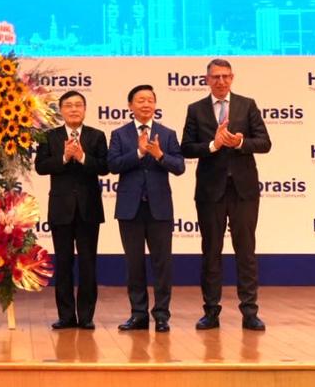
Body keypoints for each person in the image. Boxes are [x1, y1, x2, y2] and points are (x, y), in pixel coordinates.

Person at [182, 58, 273, 331]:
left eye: (225, 76)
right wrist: (213, 144)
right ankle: (211, 312)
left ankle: (250, 312)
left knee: (246, 252)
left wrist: (240, 142)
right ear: (207, 80)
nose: (221, 81)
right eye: (215, 77)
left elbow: (265, 143)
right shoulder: (196, 109)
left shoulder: (248, 105)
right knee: (211, 252)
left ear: (232, 78)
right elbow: (186, 147)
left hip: (243, 190)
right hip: (210, 191)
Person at [108, 84, 184, 332]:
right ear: (130, 106)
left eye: (150, 100)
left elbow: (179, 167)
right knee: (134, 264)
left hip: (159, 208)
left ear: (155, 105)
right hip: (130, 209)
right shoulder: (119, 134)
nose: (146, 104)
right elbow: (113, 165)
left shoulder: (167, 133)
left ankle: (161, 315)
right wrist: (139, 153)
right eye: (140, 100)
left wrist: (160, 155)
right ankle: (138, 314)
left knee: (162, 264)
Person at [34, 89, 108, 330]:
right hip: (61, 209)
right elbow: (41, 166)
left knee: (88, 264)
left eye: (78, 105)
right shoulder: (49, 136)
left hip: (89, 209)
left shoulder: (97, 136)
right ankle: (66, 316)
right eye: (69, 105)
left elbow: (105, 166)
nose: (74, 109)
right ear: (61, 110)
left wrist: (83, 156)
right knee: (64, 264)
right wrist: (64, 157)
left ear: (85, 109)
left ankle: (86, 316)